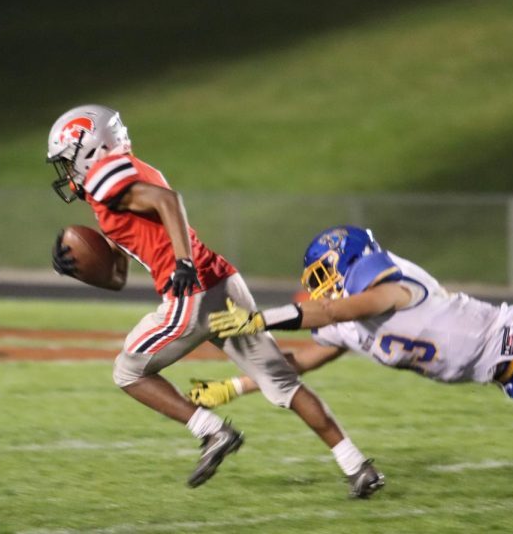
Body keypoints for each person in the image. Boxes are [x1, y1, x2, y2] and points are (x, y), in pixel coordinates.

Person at [47, 105, 384, 497]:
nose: (68, 172)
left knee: (127, 372)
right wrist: (80, 266)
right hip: (221, 280)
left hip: (190, 293)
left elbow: (167, 201)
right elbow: (119, 274)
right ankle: (357, 466)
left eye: (68, 161)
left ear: (91, 148)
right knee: (282, 382)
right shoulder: (124, 174)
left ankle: (212, 431)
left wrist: (183, 261)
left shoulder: (107, 174)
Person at [193, 225, 513, 475]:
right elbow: (298, 362)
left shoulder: (391, 285)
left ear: (352, 260)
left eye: (325, 273)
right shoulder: (347, 324)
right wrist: (233, 387)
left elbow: (337, 309)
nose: (321, 285)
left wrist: (263, 318)